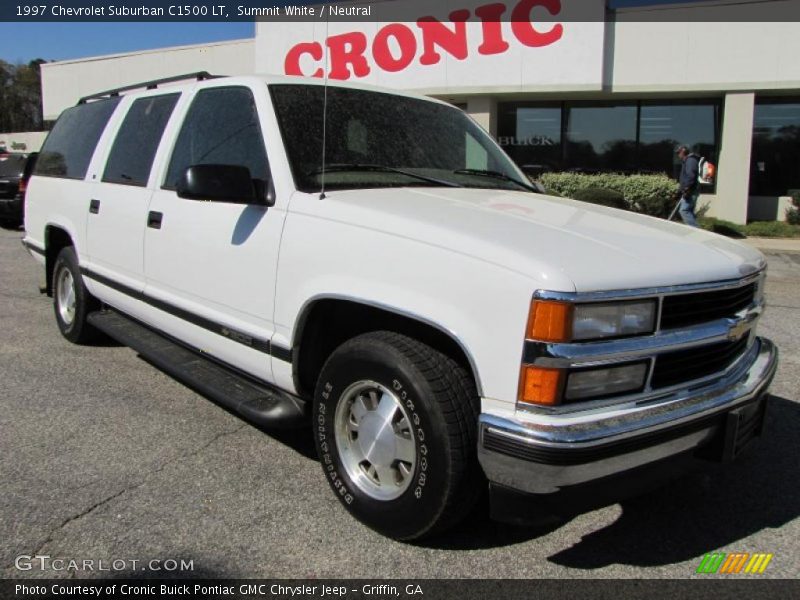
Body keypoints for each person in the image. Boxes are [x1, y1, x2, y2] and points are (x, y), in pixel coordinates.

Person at [676, 145, 700, 227]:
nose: (678, 155)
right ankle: (694, 230)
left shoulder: (690, 161)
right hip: (689, 190)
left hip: (691, 191)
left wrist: (686, 188)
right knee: (689, 211)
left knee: (684, 210)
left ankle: (696, 231)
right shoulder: (687, 161)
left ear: (683, 152)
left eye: (679, 152)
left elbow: (691, 176)